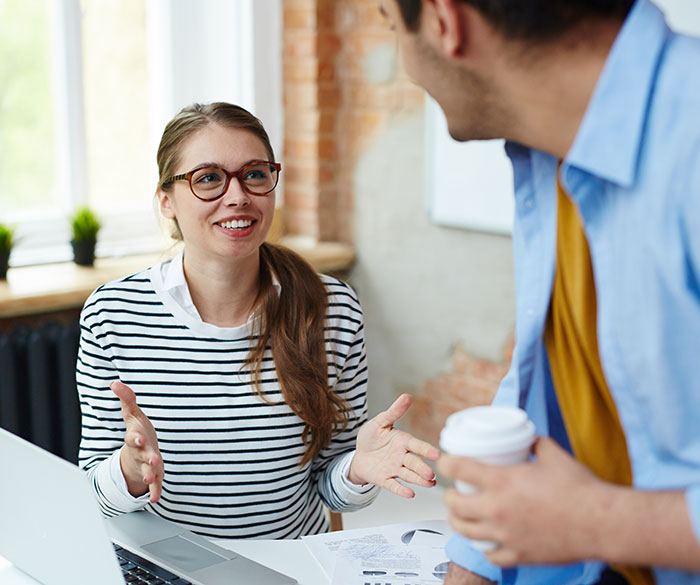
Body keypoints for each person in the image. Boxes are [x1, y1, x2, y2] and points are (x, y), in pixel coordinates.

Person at [379, 0, 700, 583]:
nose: (407, 66)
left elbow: (588, 516)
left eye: (391, 23)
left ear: (444, 21)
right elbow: (546, 389)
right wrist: (469, 568)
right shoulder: (548, 150)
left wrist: (602, 522)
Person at [77, 102, 440, 539]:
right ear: (166, 201)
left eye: (255, 174)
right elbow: (93, 492)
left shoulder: (333, 309)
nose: (237, 195)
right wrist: (128, 472)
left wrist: (359, 470)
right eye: (208, 178)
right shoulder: (113, 314)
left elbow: (331, 487)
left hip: (287, 565)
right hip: (166, 568)